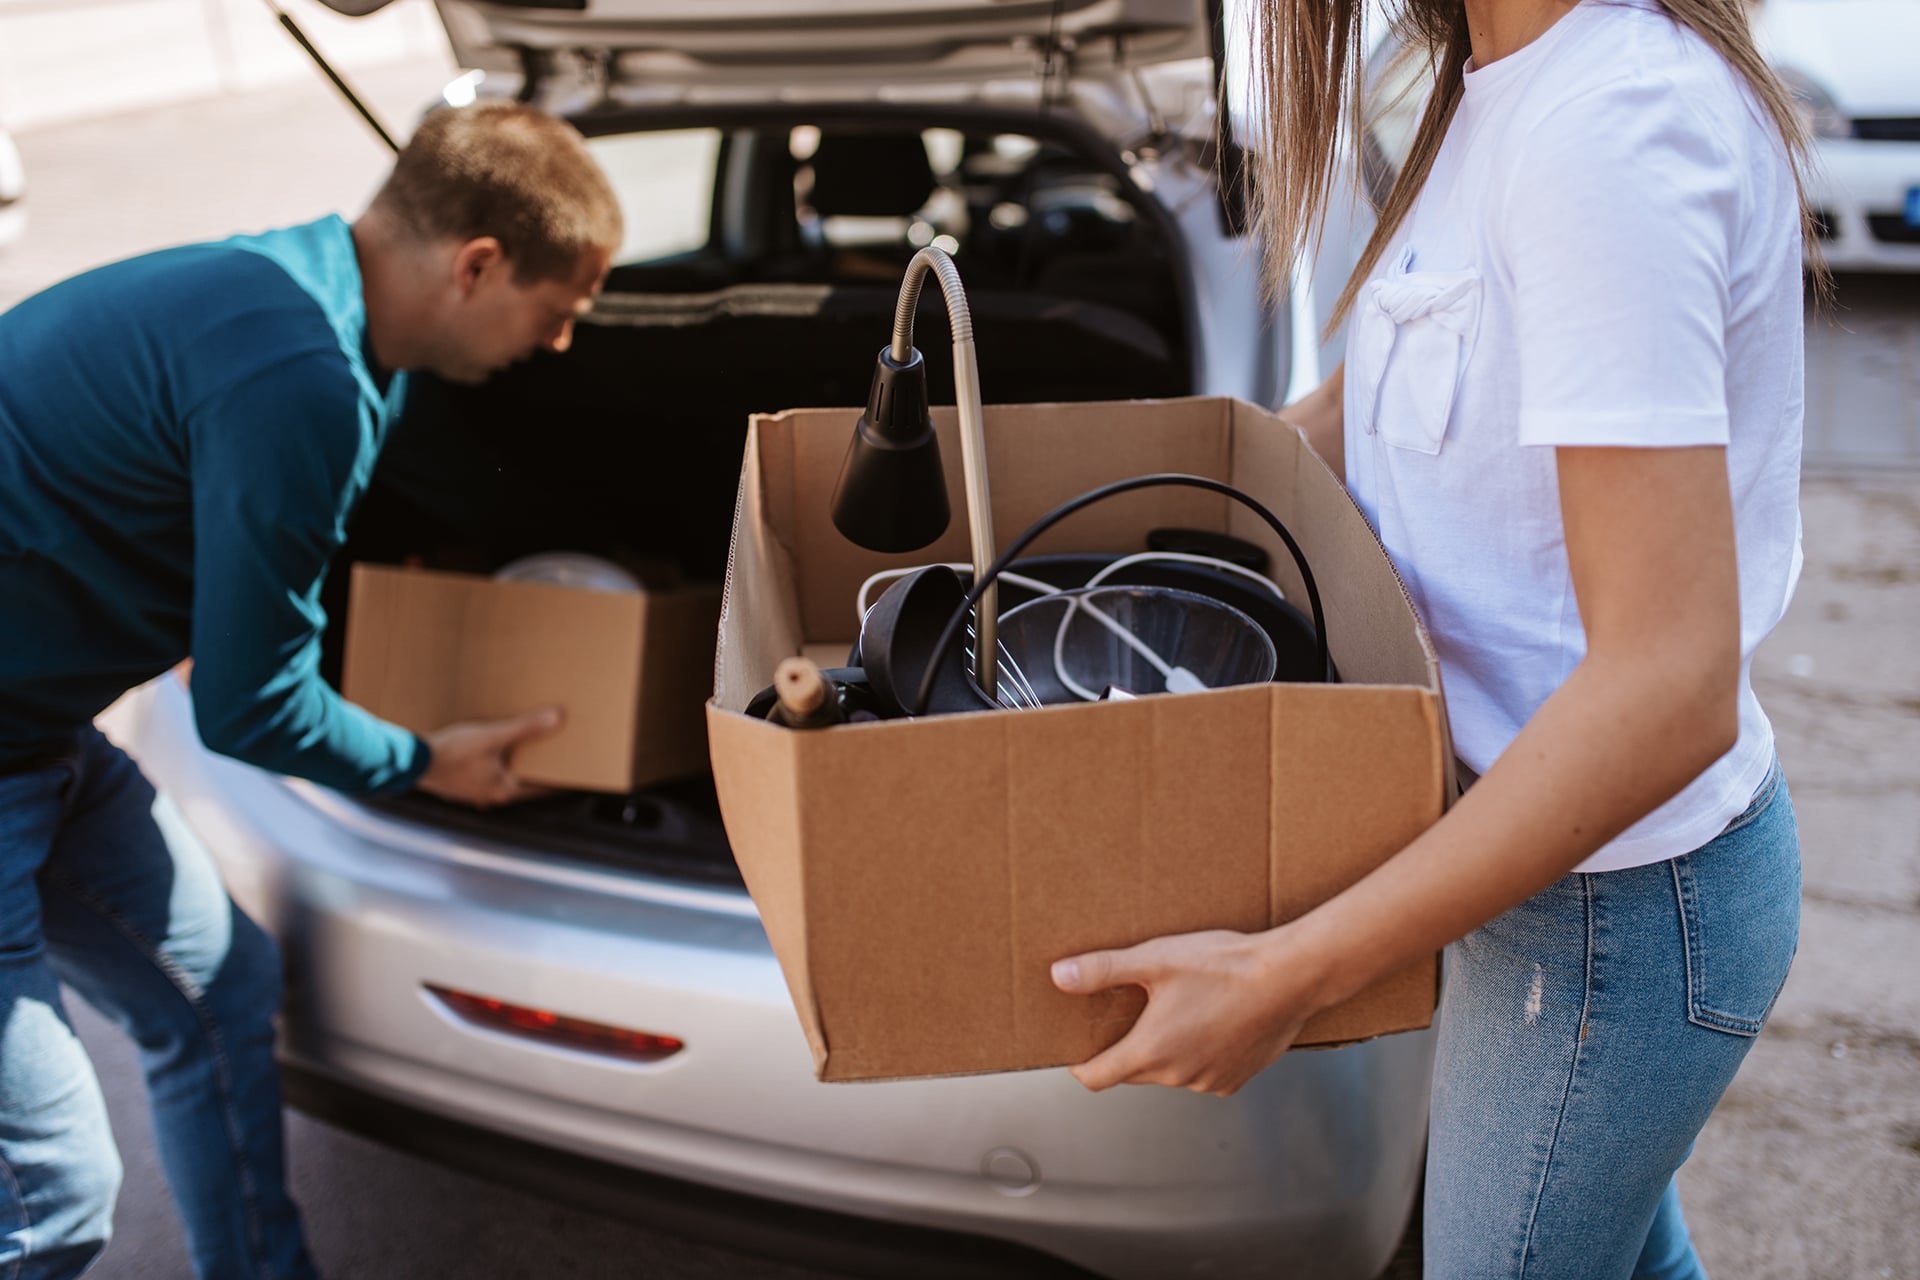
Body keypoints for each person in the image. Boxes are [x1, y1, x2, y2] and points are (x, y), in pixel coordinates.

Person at [1050, 1, 1809, 1276]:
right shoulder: (1494, 82)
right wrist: (1071, 517)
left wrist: (1287, 971)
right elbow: (1361, 403)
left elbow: (1672, 683)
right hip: (1529, 872)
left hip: (1609, 914)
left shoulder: (1607, 123)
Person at [0, 101, 621, 1279]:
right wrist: (431, 756)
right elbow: (247, 708)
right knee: (58, 1196)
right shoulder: (302, 376)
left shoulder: (291, 286)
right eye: (560, 311)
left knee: (216, 985)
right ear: (478, 263)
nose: (560, 346)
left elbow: (203, 560)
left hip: (35, 732)